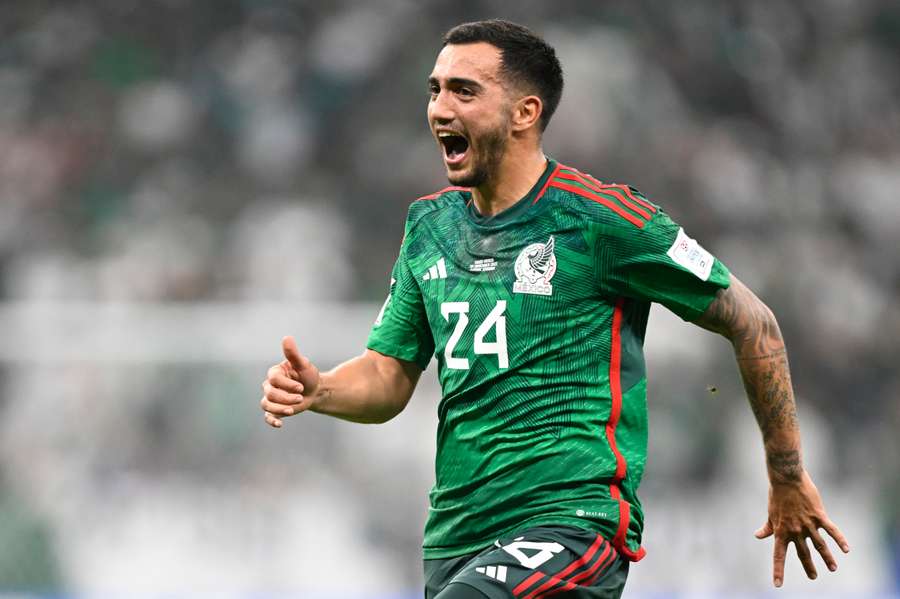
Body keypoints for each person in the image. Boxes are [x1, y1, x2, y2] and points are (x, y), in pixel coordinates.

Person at [259, 19, 849, 599]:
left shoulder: (602, 219)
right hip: (455, 537)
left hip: (573, 523)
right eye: (435, 89)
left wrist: (787, 474)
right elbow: (389, 377)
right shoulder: (429, 226)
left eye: (465, 90)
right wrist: (321, 390)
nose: (440, 108)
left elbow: (754, 323)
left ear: (525, 113)